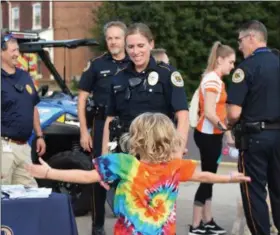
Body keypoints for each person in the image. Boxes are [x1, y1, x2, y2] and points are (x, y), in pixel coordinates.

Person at [26, 112, 251, 235]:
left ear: (137, 140)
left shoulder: (124, 164)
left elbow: (87, 177)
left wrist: (49, 171)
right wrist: (230, 178)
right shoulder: (173, 166)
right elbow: (204, 176)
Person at [102, 23, 189, 157]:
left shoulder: (167, 74)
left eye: (140, 46)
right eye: (130, 47)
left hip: (159, 152)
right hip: (126, 153)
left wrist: (177, 153)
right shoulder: (118, 78)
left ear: (151, 44)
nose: (135, 52)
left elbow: (182, 116)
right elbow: (110, 119)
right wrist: (105, 158)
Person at [227, 20, 280, 235]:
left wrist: (229, 124)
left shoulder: (246, 67)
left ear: (251, 37)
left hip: (255, 138)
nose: (239, 47)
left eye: (240, 41)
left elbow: (233, 112)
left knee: (254, 192)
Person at [78, 21, 130, 235]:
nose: (113, 42)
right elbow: (81, 98)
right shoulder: (97, 65)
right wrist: (84, 131)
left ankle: (129, 224)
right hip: (101, 128)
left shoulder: (134, 62)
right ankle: (97, 227)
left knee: (128, 176)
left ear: (125, 39)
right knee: (100, 176)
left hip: (127, 128)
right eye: (109, 38)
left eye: (117, 37)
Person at [189, 41, 236, 235]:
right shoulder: (212, 80)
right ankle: (195, 224)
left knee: (210, 178)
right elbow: (209, 112)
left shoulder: (216, 79)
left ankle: (207, 220)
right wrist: (226, 130)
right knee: (207, 178)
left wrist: (225, 133)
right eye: (231, 62)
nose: (233, 66)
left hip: (212, 136)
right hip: (207, 136)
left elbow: (217, 110)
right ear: (220, 60)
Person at [1, 32, 46, 187]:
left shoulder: (24, 76)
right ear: (1, 52)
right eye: (13, 51)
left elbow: (32, 106)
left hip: (24, 147)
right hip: (4, 148)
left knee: (30, 192)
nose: (17, 54)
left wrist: (39, 135)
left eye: (17, 50)